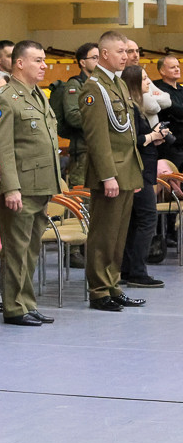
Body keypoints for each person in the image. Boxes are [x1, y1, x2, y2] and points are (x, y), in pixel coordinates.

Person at [0, 40, 61, 326]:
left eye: (44, 60)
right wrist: (11, 187)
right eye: (38, 60)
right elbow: (2, 147)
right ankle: (14, 306)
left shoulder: (37, 95)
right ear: (20, 63)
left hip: (41, 184)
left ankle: (26, 302)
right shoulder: (6, 98)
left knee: (30, 250)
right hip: (22, 187)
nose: (44, 66)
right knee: (16, 249)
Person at [79, 31, 146, 311]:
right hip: (111, 172)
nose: (126, 56)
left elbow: (126, 133)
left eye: (127, 51)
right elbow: (97, 138)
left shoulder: (116, 84)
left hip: (126, 169)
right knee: (103, 234)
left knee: (118, 235)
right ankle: (98, 291)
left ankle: (113, 285)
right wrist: (108, 175)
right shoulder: (95, 88)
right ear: (104, 54)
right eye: (120, 51)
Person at [120, 65, 168, 288]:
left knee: (135, 221)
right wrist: (152, 136)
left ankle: (129, 269)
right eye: (144, 79)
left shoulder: (137, 108)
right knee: (147, 219)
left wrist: (156, 136)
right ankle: (138, 271)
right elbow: (133, 142)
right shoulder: (130, 109)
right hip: (137, 172)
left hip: (143, 171)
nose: (149, 83)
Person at [62, 43, 100, 187]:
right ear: (83, 62)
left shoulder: (100, 84)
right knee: (83, 196)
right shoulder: (75, 85)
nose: (99, 62)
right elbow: (72, 116)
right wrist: (99, 119)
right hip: (83, 150)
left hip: (99, 148)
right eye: (94, 58)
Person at [153, 54, 183, 167]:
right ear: (162, 71)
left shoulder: (181, 89)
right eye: (172, 67)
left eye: (178, 66)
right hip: (170, 146)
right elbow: (177, 110)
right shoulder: (157, 89)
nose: (177, 69)